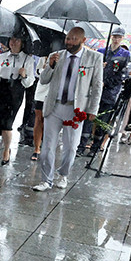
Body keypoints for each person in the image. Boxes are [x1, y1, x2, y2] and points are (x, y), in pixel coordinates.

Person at [32, 27, 103, 191]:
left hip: (75, 109)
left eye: (74, 39)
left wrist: (93, 109)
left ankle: (63, 175)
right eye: (68, 39)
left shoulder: (94, 58)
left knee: (71, 147)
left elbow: (97, 85)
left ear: (83, 40)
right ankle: (46, 180)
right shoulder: (56, 56)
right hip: (54, 106)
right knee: (48, 146)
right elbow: (43, 80)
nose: (69, 42)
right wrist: (50, 66)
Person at [78, 27, 130, 156]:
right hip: (96, 91)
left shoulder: (124, 54)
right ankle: (81, 145)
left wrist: (106, 83)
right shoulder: (101, 52)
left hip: (110, 92)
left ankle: (95, 147)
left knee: (103, 120)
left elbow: (122, 75)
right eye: (114, 36)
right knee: (89, 118)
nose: (116, 39)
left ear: (122, 38)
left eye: (119, 37)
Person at [0, 37, 36, 168]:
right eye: (11, 40)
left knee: (6, 125)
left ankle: (6, 150)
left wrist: (24, 75)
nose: (13, 42)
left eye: (17, 40)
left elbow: (29, 82)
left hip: (15, 93)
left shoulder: (28, 59)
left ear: (22, 42)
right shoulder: (0, 57)